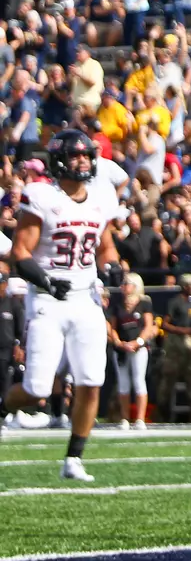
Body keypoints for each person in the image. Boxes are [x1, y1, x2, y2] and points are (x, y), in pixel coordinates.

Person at [4, 130, 122, 481]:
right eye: (75, 155)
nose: (82, 161)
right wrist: (45, 280)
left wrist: (113, 265)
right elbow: (19, 252)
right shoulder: (42, 196)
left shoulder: (101, 197)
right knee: (37, 390)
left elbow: (106, 247)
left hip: (85, 298)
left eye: (86, 155)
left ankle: (74, 457)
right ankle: (2, 408)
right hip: (47, 299)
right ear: (59, 161)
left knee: (90, 380)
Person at [107, 273, 154, 430]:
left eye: (126, 283)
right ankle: (124, 418)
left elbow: (148, 326)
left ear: (135, 286)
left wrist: (138, 342)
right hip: (121, 348)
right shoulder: (117, 304)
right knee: (123, 383)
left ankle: (140, 419)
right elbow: (113, 327)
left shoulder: (144, 303)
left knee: (139, 381)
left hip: (138, 347)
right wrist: (119, 343)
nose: (122, 287)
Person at [159, 273, 191, 424]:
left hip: (189, 345)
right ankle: (162, 416)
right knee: (168, 381)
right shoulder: (175, 302)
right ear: (185, 287)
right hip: (174, 344)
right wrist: (182, 331)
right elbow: (164, 324)